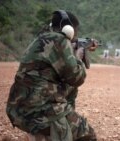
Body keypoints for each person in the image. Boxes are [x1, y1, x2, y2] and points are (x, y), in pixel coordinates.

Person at [6, 10, 98, 141]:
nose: (75, 36)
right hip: (41, 113)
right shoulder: (59, 40)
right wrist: (77, 57)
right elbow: (77, 78)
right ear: (69, 29)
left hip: (18, 111)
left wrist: (71, 51)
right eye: (75, 31)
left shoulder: (41, 39)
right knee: (88, 135)